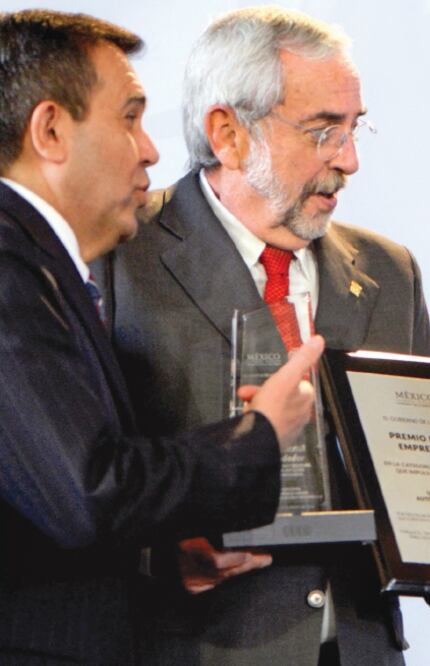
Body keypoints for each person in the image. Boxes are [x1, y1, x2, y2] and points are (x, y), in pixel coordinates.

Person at [95, 7, 430, 665]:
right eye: (323, 131)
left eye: (354, 128)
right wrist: (158, 555)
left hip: (360, 646)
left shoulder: (389, 271)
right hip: (199, 646)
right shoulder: (119, 256)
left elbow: (416, 475)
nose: (351, 160)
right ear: (228, 133)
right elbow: (78, 481)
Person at [0, 10, 325, 664]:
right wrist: (260, 432)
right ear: (52, 130)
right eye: (128, 117)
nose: (149, 149)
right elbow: (91, 494)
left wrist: (165, 550)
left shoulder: (40, 266)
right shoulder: (9, 266)